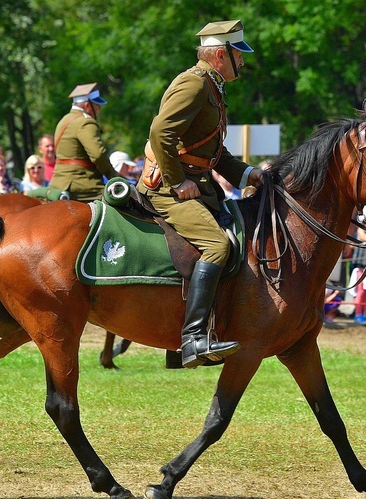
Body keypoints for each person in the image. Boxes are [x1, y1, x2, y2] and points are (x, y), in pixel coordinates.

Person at [136, 20, 263, 368]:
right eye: (240, 54)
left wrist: (251, 174)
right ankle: (191, 340)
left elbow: (210, 152)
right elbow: (160, 132)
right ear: (221, 55)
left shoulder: (212, 85)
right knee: (217, 245)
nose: (244, 61)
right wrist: (177, 182)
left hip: (198, 184)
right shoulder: (194, 83)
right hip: (166, 188)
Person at [49, 82, 117, 202]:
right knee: (121, 204)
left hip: (58, 183)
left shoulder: (63, 120)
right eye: (97, 105)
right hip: (82, 185)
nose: (99, 108)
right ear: (87, 106)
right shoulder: (86, 122)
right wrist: (114, 178)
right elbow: (98, 155)